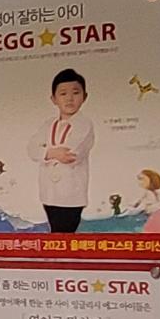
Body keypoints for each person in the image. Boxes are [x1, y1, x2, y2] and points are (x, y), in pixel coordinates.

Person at [31, 68, 95, 233]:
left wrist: (45, 151)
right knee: (55, 234)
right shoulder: (48, 124)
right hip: (49, 193)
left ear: (84, 97)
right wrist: (53, 153)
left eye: (75, 93)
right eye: (63, 93)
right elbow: (32, 149)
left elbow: (71, 155)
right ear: (53, 99)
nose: (69, 98)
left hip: (71, 195)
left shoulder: (84, 124)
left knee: (66, 235)